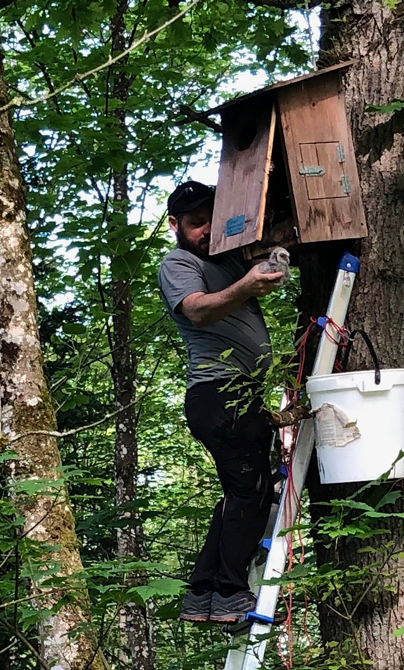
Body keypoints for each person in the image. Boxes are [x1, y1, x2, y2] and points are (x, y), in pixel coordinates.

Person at [157, 180, 285, 623]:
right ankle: (231, 592)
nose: (207, 229)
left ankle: (202, 593)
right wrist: (246, 286)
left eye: (214, 218)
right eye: (195, 222)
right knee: (251, 491)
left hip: (240, 394)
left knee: (240, 492)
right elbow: (197, 309)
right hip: (218, 394)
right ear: (175, 225)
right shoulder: (179, 262)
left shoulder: (231, 256)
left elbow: (271, 239)